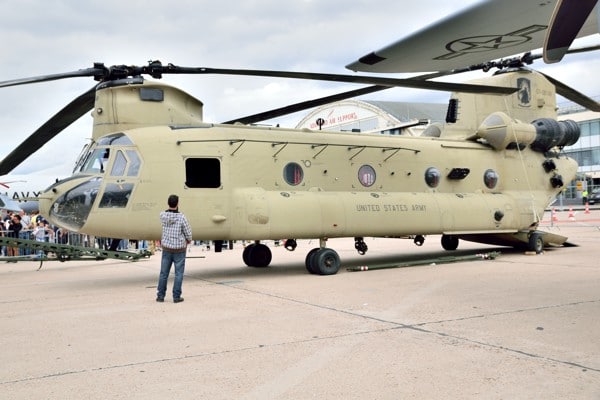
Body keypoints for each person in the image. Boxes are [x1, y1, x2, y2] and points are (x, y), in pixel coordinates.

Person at [156, 194, 192, 303]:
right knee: (178, 274)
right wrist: (188, 240)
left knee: (163, 273)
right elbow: (188, 232)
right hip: (179, 249)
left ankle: (160, 296)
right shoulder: (182, 217)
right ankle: (176, 296)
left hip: (167, 248)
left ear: (168, 203)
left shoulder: (162, 215)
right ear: (177, 204)